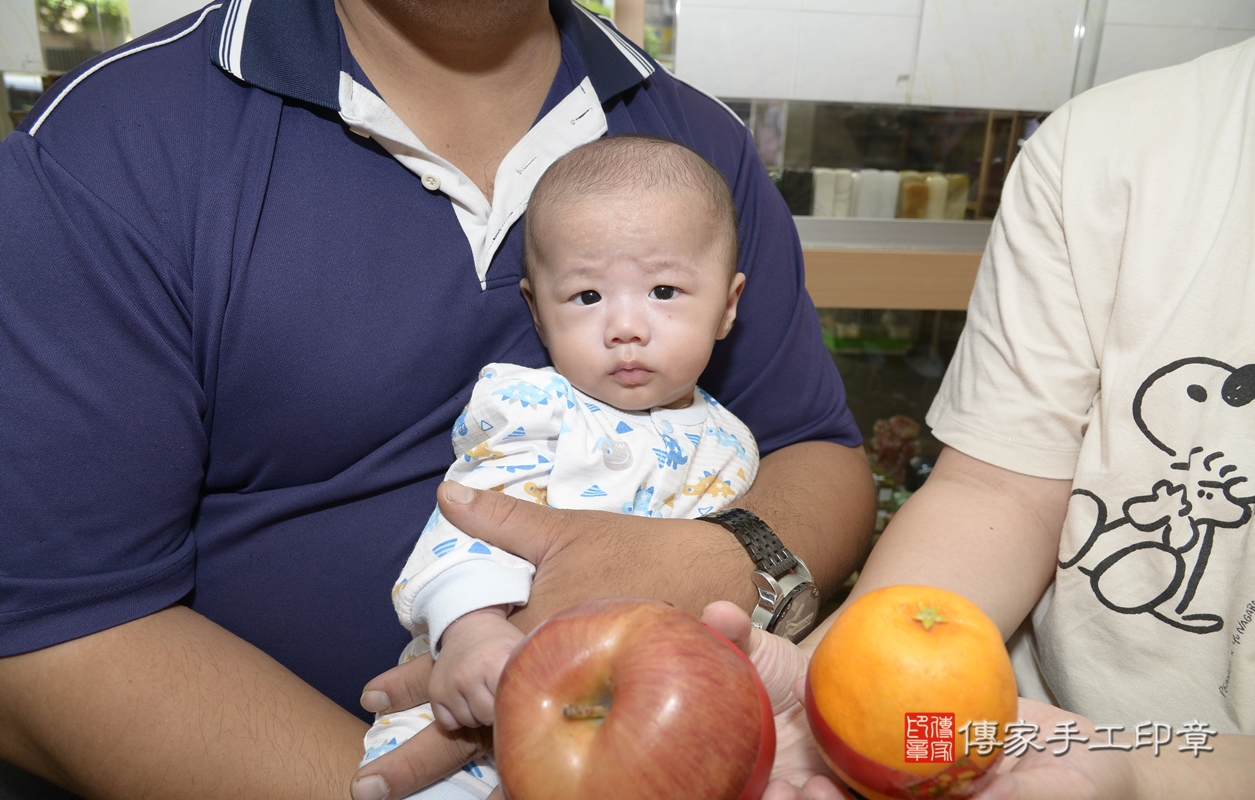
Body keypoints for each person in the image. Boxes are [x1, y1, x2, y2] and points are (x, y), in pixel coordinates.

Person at [0, 1, 876, 799]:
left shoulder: (698, 142)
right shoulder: (109, 145)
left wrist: (723, 561)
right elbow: (46, 631)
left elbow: (819, 452)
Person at [735, 37, 1255, 800]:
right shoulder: (1105, 147)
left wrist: (1138, 773)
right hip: (1018, 734)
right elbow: (1000, 491)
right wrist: (839, 691)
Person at [361, 135, 759, 796]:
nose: (625, 325)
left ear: (727, 304)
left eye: (663, 290)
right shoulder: (533, 408)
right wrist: (470, 629)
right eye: (585, 297)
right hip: (479, 707)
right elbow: (469, 522)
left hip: (659, 718)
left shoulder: (732, 446)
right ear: (536, 312)